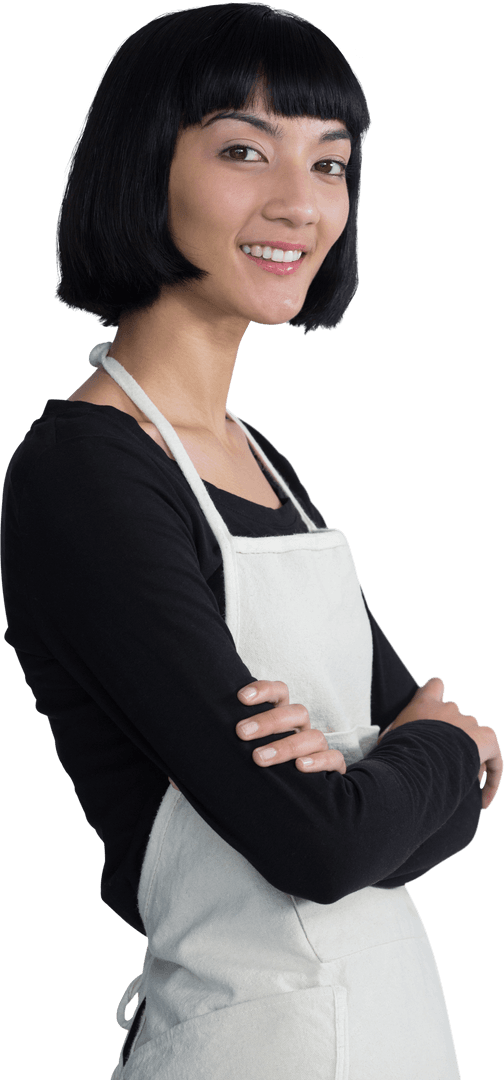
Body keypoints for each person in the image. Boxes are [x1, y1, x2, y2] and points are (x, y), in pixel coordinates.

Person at [1, 4, 501, 1078]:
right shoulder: (85, 473)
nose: (301, 204)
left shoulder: (253, 454)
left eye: (332, 163)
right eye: (243, 150)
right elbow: (326, 844)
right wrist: (443, 748)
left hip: (391, 1023)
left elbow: (425, 820)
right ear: (144, 166)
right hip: (253, 1039)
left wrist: (380, 773)